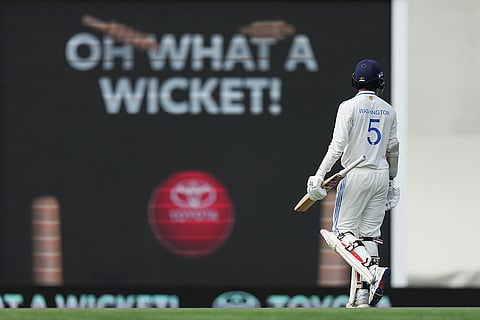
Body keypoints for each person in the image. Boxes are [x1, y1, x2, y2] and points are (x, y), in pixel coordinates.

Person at [306, 59, 399, 308]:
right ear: (380, 82)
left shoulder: (348, 107)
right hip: (380, 173)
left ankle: (372, 271)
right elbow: (393, 148)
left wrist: (319, 174)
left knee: (341, 234)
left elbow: (337, 146)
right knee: (368, 235)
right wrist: (392, 181)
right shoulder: (388, 110)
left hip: (355, 172)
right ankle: (361, 296)